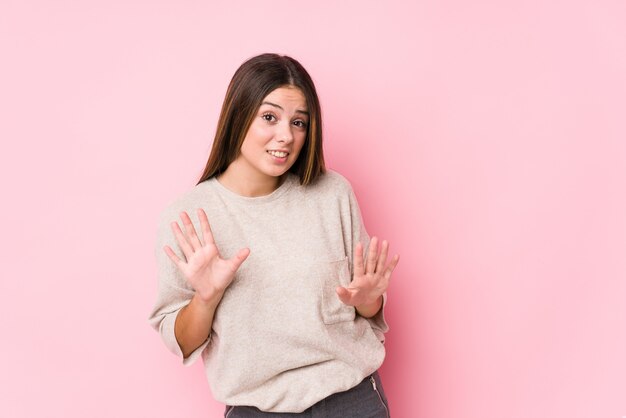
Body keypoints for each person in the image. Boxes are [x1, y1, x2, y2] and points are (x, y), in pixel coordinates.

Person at [148, 53, 399, 417]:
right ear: (238, 115)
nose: (287, 136)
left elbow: (366, 309)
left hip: (351, 400)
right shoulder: (188, 218)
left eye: (299, 122)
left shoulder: (332, 194)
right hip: (258, 408)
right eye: (270, 117)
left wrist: (369, 300)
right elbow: (183, 342)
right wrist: (207, 297)